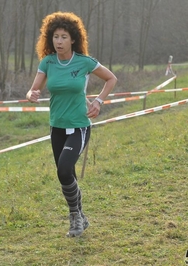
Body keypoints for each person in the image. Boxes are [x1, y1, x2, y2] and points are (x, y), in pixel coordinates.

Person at [26, 12, 117, 237]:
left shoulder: (84, 62)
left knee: (64, 169)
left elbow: (111, 78)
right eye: (55, 37)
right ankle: (79, 216)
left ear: (73, 39)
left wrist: (98, 101)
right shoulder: (47, 62)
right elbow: (33, 88)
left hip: (79, 126)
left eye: (64, 37)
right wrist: (31, 94)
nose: (59, 41)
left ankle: (75, 216)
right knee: (67, 175)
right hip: (57, 126)